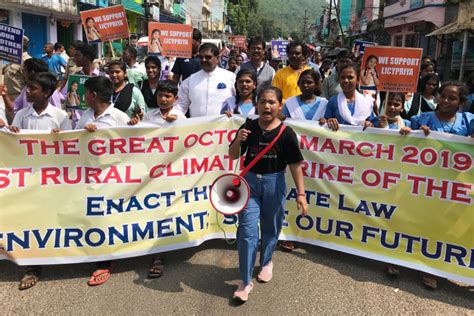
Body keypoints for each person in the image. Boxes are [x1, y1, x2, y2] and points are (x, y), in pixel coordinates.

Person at [228, 86, 308, 302]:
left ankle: (266, 261)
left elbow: (295, 165)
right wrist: (238, 139)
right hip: (250, 183)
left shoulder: (286, 133)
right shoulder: (249, 126)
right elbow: (233, 154)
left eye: (272, 102)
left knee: (271, 228)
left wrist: (301, 194)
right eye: (262, 101)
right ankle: (245, 281)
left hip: (275, 183)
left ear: (279, 106)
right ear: (257, 104)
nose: (267, 106)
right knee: (246, 230)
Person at [6, 73, 71, 290]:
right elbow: (11, 141)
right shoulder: (22, 115)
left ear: (46, 92)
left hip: (53, 180)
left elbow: (73, 149)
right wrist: (12, 133)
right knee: (29, 220)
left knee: (52, 218)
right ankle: (32, 266)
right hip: (27, 178)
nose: (27, 92)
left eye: (32, 88)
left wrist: (60, 138)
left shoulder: (61, 117)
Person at [176, 43, 235, 117]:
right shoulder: (190, 81)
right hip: (197, 127)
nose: (203, 60)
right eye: (201, 57)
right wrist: (175, 115)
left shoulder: (230, 77)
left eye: (208, 57)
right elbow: (181, 105)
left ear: (217, 59)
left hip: (224, 127)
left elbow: (239, 101)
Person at [323, 63, 376, 131]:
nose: (346, 80)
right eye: (342, 77)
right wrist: (329, 121)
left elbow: (373, 122)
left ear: (358, 80)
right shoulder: (333, 101)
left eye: (350, 77)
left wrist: (370, 124)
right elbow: (325, 123)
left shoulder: (366, 102)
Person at [2, 36, 31, 102]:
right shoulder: (13, 60)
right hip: (9, 98)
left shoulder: (27, 60)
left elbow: (31, 82)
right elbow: (3, 70)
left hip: (20, 98)